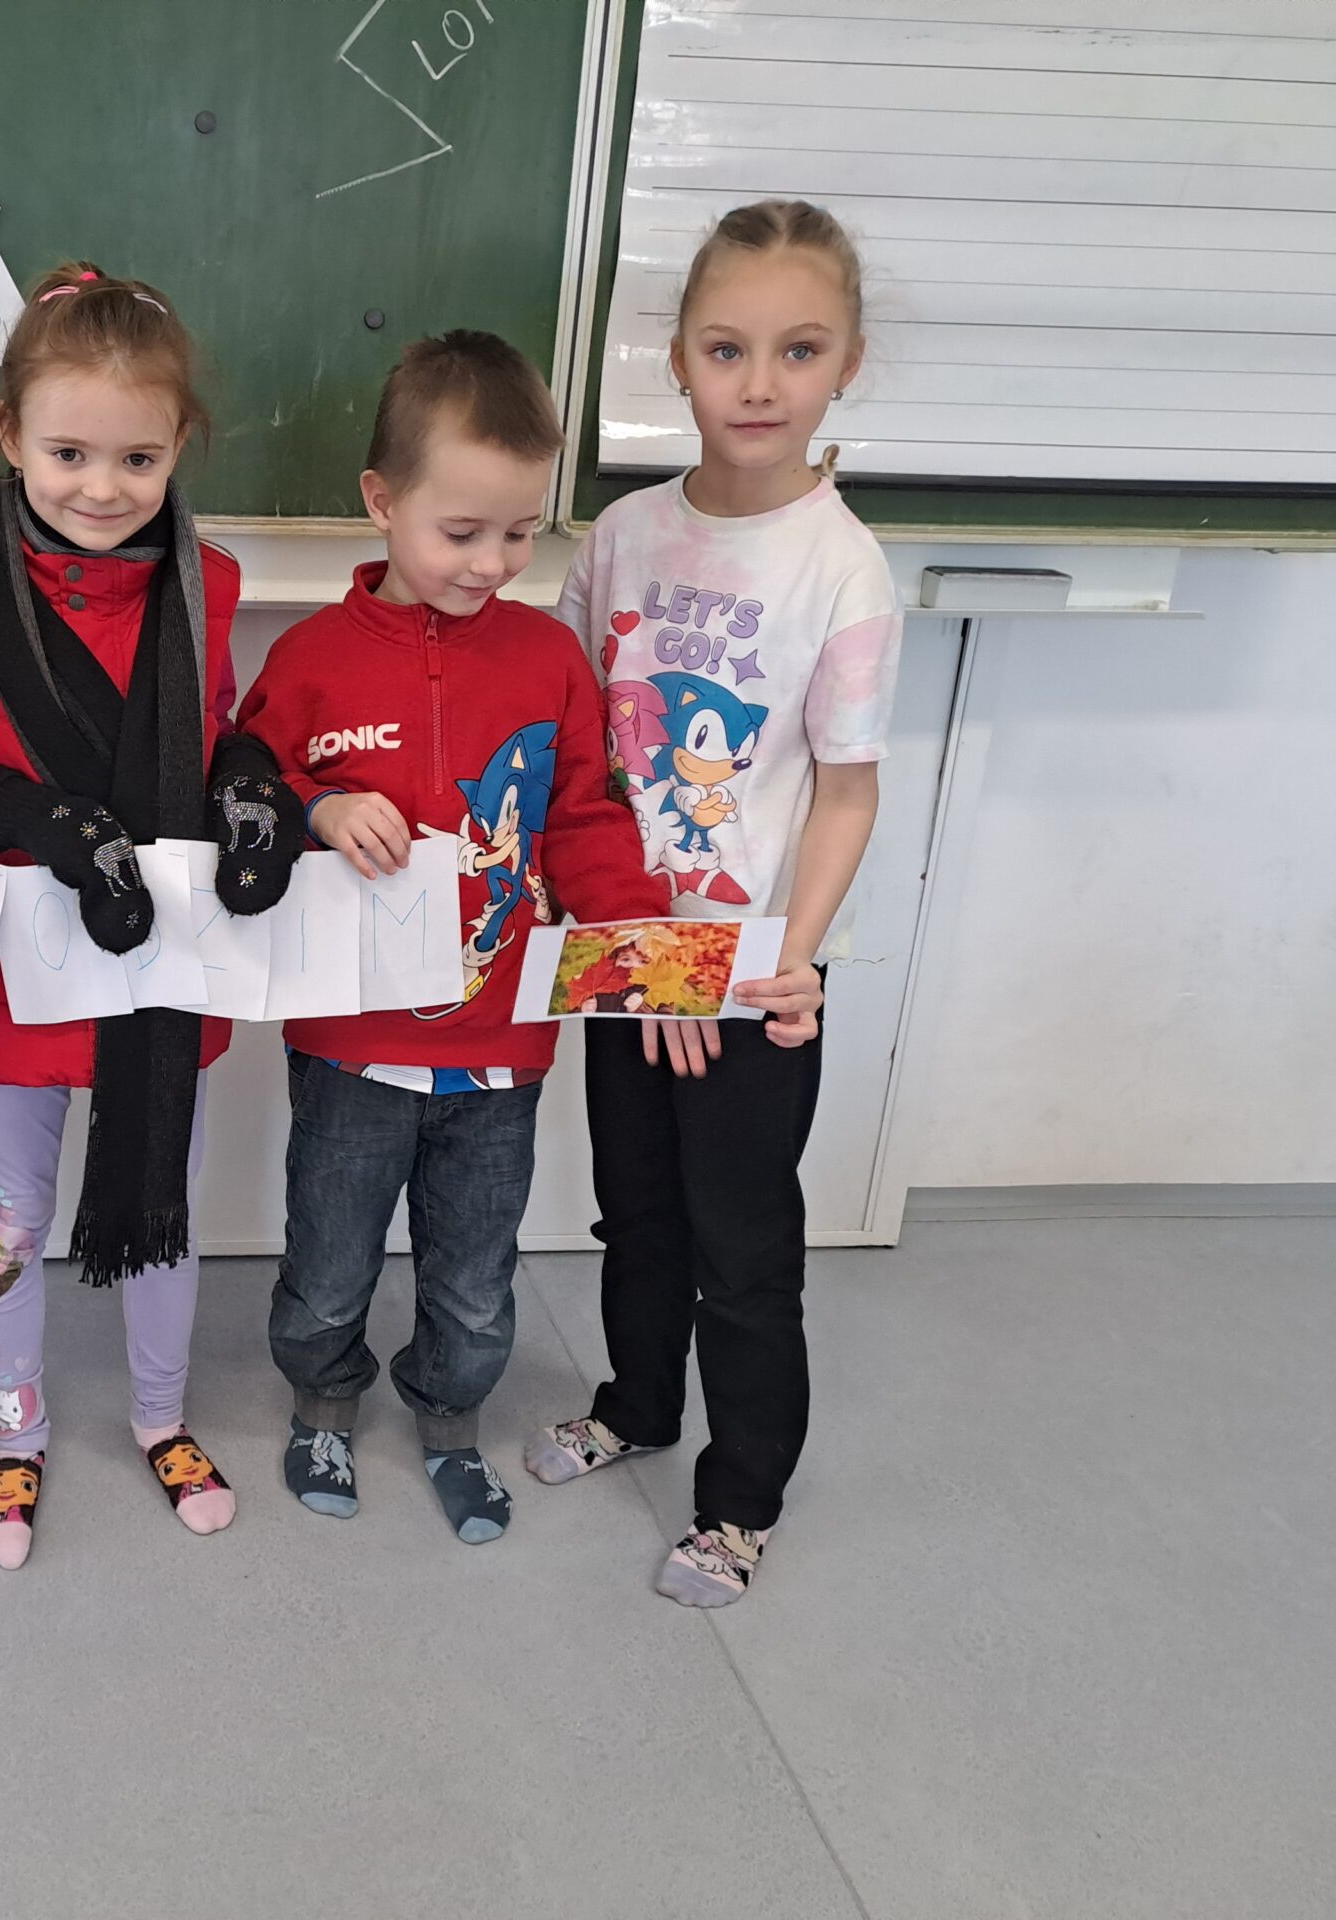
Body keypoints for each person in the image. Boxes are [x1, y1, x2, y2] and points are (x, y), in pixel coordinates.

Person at [0, 263, 304, 1570]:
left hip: (158, 963)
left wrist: (251, 789)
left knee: (160, 1200)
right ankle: (16, 1436)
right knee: (7, 1215)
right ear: (11, 436)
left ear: (180, 447)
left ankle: (162, 1420)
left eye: (138, 458)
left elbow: (216, 731)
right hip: (17, 962)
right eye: (68, 453)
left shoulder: (206, 584)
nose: (102, 487)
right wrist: (15, 807)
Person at [529, 199, 902, 1608]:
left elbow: (847, 791)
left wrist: (786, 961)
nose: (759, 383)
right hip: (629, 950)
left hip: (752, 977)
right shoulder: (624, 536)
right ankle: (634, 1404)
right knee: (635, 1210)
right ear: (677, 359)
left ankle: (740, 1500)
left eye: (798, 351)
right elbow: (578, 745)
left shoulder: (841, 567)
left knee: (742, 1249)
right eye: (726, 348)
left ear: (845, 364)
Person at [235, 331, 664, 1544]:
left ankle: (448, 1420)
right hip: (348, 1047)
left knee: (474, 1278)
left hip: (500, 1051)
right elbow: (244, 790)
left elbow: (582, 816)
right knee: (329, 1259)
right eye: (462, 531)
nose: (493, 562)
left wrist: (638, 935)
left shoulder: (547, 658)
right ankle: (323, 1402)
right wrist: (316, 806)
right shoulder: (309, 662)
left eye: (520, 532)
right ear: (382, 501)